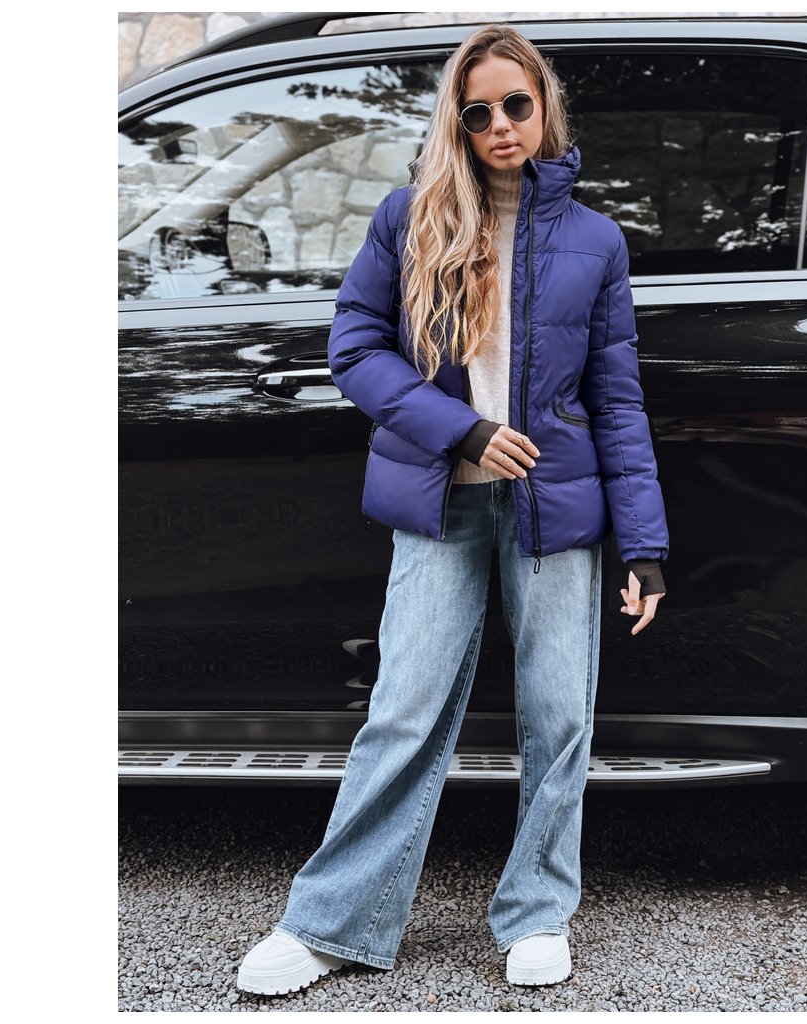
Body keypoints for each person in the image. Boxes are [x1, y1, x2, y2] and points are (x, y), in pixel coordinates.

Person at [237, 23, 670, 996]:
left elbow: (617, 400)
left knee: (558, 714)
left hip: (554, 507)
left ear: (544, 106)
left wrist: (643, 544)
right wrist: (463, 432)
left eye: (516, 104)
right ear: (458, 123)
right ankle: (332, 921)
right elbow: (355, 347)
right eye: (478, 112)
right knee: (402, 710)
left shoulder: (596, 240)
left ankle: (537, 911)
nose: (500, 124)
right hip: (440, 503)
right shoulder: (409, 216)